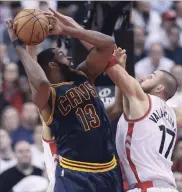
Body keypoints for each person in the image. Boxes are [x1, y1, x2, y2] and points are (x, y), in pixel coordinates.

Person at [6, 8, 124, 192]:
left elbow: (108, 44)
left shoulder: (83, 74)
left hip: (109, 169)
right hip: (76, 174)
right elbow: (41, 82)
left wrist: (69, 30)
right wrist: (19, 45)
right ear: (52, 65)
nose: (68, 55)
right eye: (61, 54)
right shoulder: (46, 97)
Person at [105, 34, 182, 192]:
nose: (144, 77)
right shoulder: (173, 115)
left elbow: (111, 68)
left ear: (160, 88)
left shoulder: (143, 102)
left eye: (151, 76)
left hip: (146, 188)